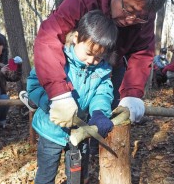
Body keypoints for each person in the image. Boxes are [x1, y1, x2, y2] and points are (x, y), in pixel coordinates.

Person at [33, 0, 167, 124]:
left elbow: (142, 52)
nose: (131, 20)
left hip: (111, 68)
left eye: (140, 16)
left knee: (104, 116)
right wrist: (58, 92)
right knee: (67, 114)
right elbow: (49, 38)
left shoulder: (144, 17)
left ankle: (94, 148)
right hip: (72, 68)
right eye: (128, 10)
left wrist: (132, 93)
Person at [22, 10, 118, 184]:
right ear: (76, 38)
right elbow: (34, 85)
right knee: (45, 175)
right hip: (51, 131)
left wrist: (99, 112)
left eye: (98, 57)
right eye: (88, 53)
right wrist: (49, 104)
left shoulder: (102, 70)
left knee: (78, 176)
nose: (91, 61)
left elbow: (102, 93)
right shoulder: (57, 60)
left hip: (80, 132)